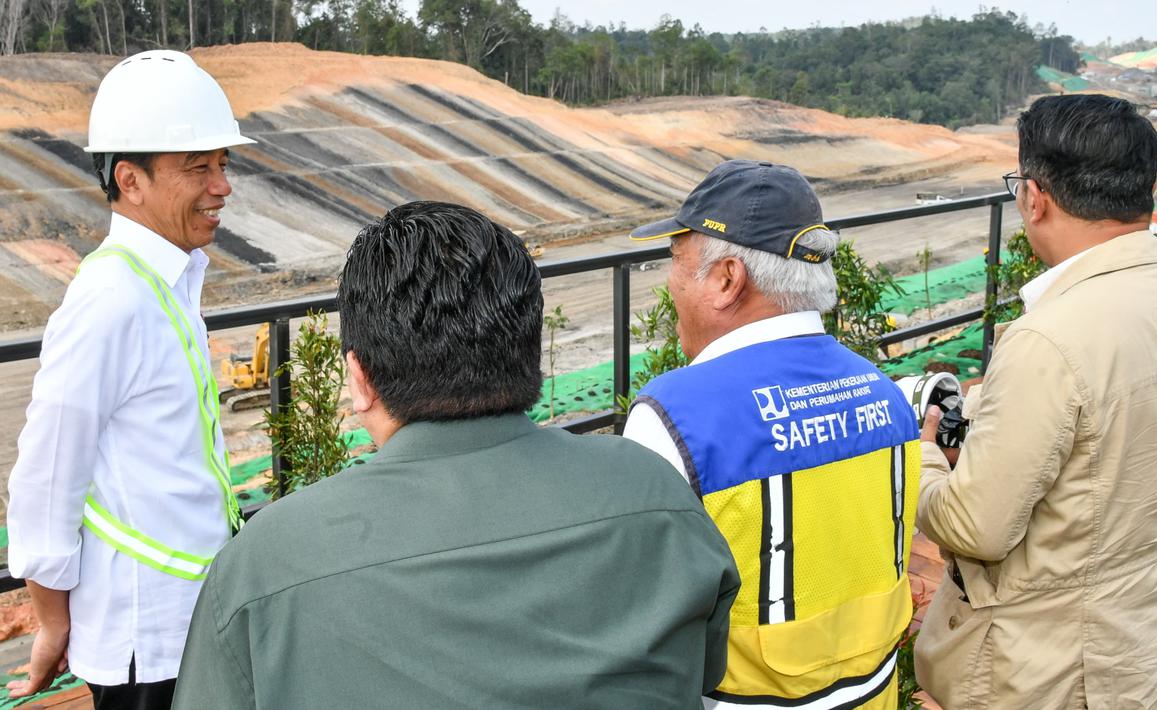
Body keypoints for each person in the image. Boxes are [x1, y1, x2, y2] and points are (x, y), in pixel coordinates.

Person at [171, 201, 740, 709]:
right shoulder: (655, 493)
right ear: (527, 350)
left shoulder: (266, 562)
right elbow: (703, 668)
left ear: (359, 379)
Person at [914, 94, 1157, 709]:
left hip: (1049, 675)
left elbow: (975, 529)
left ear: (1035, 197)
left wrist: (922, 452)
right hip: (1149, 651)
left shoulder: (1048, 340)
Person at [623, 160, 921, 709]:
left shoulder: (674, 415)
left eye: (676, 261)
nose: (671, 283)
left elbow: (638, 614)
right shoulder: (886, 395)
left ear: (727, 278)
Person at [5, 50, 254, 708]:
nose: (221, 185)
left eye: (223, 164)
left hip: (190, 615)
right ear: (130, 180)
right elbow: (46, 473)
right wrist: (54, 620)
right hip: (147, 637)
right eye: (197, 167)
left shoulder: (165, 282)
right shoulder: (111, 300)